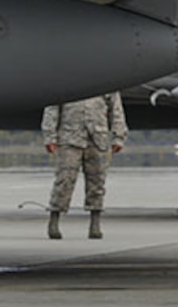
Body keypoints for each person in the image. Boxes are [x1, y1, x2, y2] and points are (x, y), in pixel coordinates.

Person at [43, 93, 128, 239]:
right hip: (70, 138)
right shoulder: (65, 81)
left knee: (97, 182)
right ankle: (54, 220)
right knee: (64, 180)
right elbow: (52, 108)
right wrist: (49, 136)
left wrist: (119, 136)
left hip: (98, 138)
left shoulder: (107, 81)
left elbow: (116, 110)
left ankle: (95, 223)